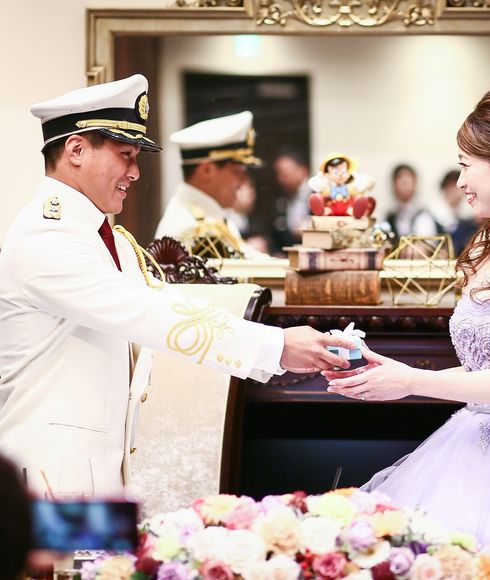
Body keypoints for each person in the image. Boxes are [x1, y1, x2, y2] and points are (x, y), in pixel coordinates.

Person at [0, 75, 356, 499]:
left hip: (92, 470)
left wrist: (274, 344)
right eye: (125, 155)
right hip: (50, 477)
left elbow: (168, 300)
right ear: (76, 150)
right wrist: (275, 346)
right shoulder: (46, 235)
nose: (135, 173)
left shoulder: (102, 234)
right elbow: (145, 313)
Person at [325, 87, 490, 558]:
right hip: (468, 441)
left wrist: (411, 380)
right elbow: (483, 372)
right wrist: (390, 373)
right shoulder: (485, 246)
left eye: (465, 165)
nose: (460, 181)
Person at [155, 111, 268, 259]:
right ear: (206, 171)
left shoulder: (209, 217)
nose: (243, 182)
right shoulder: (193, 229)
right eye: (237, 172)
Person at [383, 164, 441, 239]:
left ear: (415, 183)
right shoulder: (389, 218)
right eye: (400, 178)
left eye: (408, 178)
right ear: (394, 184)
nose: (404, 182)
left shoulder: (424, 216)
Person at [431, 169, 479, 256]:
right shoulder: (431, 215)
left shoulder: (468, 215)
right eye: (462, 187)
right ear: (448, 188)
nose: (465, 191)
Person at [271, 150, 312, 251]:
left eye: (285, 174)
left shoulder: (319, 195)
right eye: (278, 174)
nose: (280, 179)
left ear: (303, 170)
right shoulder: (283, 199)